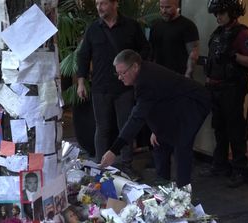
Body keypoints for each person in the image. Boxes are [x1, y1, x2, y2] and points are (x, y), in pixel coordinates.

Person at [99, 49, 211, 187]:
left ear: (135, 66)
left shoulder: (147, 80)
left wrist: (114, 150)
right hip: (173, 104)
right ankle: (162, 185)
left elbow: (137, 117)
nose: (119, 77)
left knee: (182, 143)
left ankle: (183, 193)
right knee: (159, 141)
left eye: (123, 73)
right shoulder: (143, 73)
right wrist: (156, 129)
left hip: (194, 102)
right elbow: (154, 105)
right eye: (118, 73)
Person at [77, 0, 150, 180]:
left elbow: (145, 50)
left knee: (126, 127)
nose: (99, 8)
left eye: (103, 3)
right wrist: (80, 82)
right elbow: (83, 55)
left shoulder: (131, 26)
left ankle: (127, 166)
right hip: (100, 87)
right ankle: (100, 168)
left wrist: (135, 73)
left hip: (124, 87)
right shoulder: (93, 29)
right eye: (97, 4)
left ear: (115, 4)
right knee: (102, 128)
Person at [201, 0, 248, 188]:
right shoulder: (218, 33)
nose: (218, 16)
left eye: (222, 13)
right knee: (219, 128)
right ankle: (220, 165)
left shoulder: (242, 33)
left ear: (232, 12)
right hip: (215, 87)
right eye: (216, 13)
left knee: (235, 130)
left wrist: (233, 56)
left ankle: (239, 170)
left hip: (232, 88)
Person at [149, 0, 199, 78]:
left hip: (179, 76)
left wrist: (188, 74)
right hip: (159, 74)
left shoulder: (188, 26)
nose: (164, 11)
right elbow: (152, 52)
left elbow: (193, 54)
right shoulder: (155, 25)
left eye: (168, 7)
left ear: (177, 6)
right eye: (161, 7)